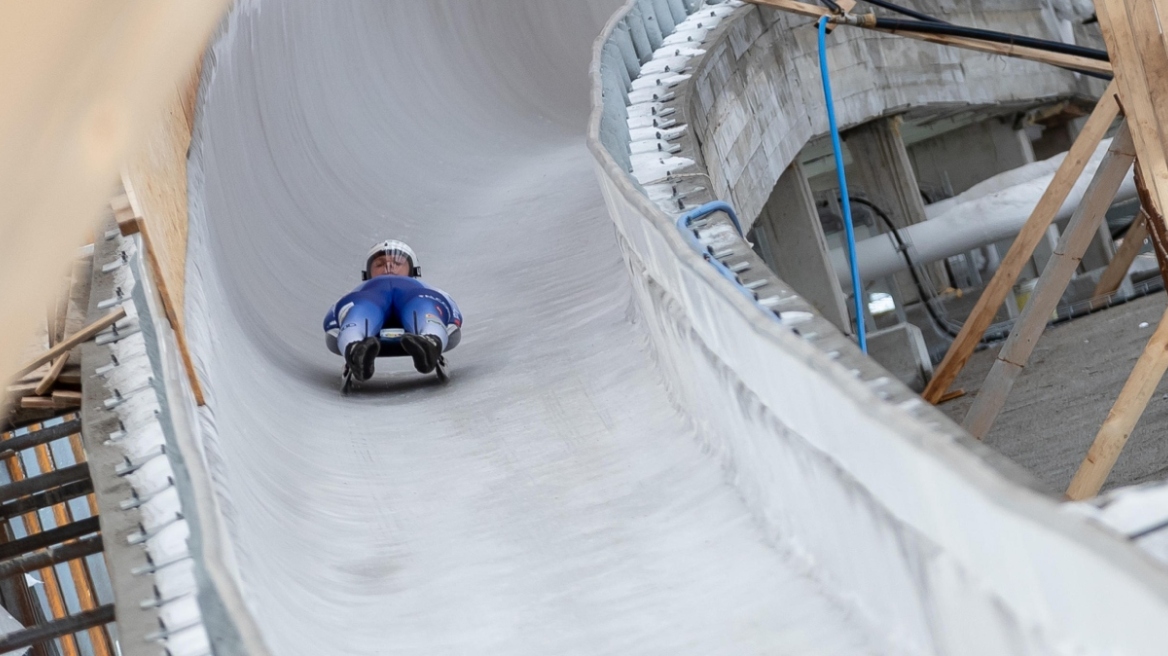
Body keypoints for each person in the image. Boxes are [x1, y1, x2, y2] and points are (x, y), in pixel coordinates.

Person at [324, 240, 462, 381]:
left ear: (413, 269)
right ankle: (357, 349)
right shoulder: (362, 291)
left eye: (397, 263)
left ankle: (429, 343)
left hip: (412, 295)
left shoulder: (422, 288)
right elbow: (338, 312)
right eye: (379, 264)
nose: (389, 267)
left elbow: (447, 305)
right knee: (359, 308)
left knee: (424, 304)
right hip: (371, 297)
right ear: (368, 273)